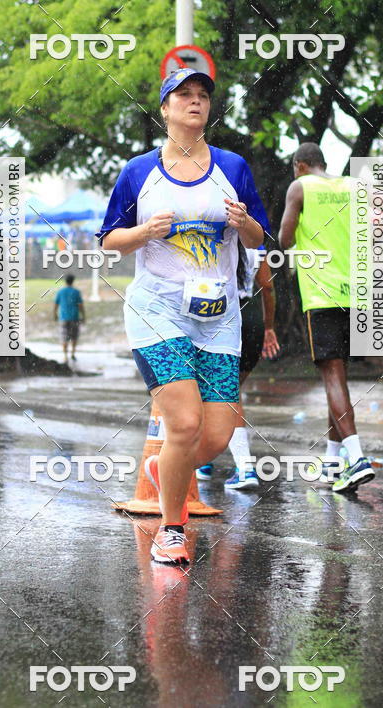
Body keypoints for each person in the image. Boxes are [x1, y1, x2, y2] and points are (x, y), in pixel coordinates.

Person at [99, 67, 270, 565]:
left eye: (202, 96)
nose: (195, 102)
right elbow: (109, 240)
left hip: (217, 314)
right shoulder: (138, 172)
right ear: (166, 109)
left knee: (215, 435)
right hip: (157, 309)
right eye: (184, 95)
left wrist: (245, 223)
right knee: (185, 422)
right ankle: (171, 530)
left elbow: (260, 238)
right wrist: (144, 232)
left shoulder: (233, 167)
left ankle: (166, 471)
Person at [279, 142, 383, 494]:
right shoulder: (354, 184)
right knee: (340, 378)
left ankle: (357, 458)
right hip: (360, 293)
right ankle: (334, 463)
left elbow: (285, 240)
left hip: (323, 294)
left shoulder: (299, 187)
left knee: (333, 377)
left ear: (300, 165)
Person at [197, 244, 280, 489]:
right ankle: (204, 458)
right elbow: (268, 287)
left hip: (223, 314)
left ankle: (244, 467)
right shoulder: (255, 240)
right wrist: (269, 326)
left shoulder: (213, 235)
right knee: (222, 393)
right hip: (253, 318)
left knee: (224, 393)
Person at [54, 274, 85, 362]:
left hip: (63, 318)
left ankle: (65, 356)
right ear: (73, 281)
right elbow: (80, 305)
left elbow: (56, 304)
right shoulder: (76, 292)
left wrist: (55, 314)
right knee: (74, 337)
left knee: (64, 337)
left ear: (65, 281)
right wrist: (83, 316)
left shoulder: (61, 292)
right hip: (74, 317)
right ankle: (72, 354)